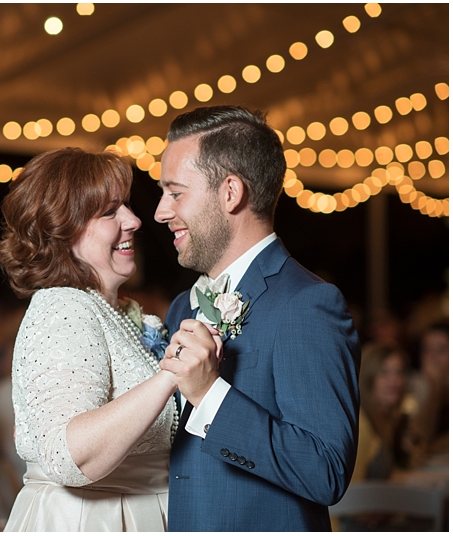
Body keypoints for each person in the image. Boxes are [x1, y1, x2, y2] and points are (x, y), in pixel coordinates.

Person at [155, 106, 360, 531]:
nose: (160, 211)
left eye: (175, 193)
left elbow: (325, 471)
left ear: (231, 192)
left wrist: (210, 395)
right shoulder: (182, 307)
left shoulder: (308, 304)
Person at [0, 147, 179, 531]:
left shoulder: (124, 313)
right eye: (110, 212)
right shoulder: (64, 308)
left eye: (125, 206)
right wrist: (172, 374)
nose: (133, 220)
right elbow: (67, 456)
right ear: (63, 230)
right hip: (94, 520)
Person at [353, 343, 412, 482]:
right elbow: (350, 491)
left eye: (399, 372)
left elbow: (391, 477)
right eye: (384, 373)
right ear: (368, 378)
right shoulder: (360, 424)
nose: (394, 381)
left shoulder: (386, 418)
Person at [406, 321, 449, 460]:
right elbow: (418, 439)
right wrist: (433, 390)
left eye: (441, 350)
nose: (432, 357)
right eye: (427, 349)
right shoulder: (412, 387)